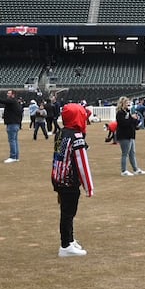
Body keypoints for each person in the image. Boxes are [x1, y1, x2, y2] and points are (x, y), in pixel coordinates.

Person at [51, 102, 95, 257]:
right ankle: (65, 245)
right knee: (68, 213)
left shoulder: (61, 133)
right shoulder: (76, 138)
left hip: (58, 178)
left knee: (66, 212)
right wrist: (88, 187)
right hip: (69, 180)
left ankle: (69, 239)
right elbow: (83, 164)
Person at [114, 97, 145, 176]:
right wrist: (132, 119)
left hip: (130, 135)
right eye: (126, 103)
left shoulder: (128, 112)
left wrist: (137, 120)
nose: (128, 104)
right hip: (124, 136)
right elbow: (123, 123)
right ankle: (124, 170)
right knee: (125, 153)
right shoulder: (120, 113)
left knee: (132, 153)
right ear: (122, 104)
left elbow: (132, 122)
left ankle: (135, 169)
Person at [0, 89, 23, 163]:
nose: (7, 94)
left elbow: (2, 101)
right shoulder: (16, 103)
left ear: (13, 95)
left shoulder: (11, 101)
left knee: (12, 140)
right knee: (15, 140)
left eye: (9, 93)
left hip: (12, 124)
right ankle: (16, 156)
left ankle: (13, 156)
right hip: (15, 124)